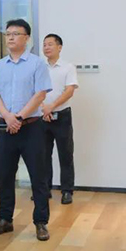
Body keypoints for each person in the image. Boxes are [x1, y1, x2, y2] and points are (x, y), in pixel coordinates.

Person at [0, 19, 53, 241]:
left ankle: (41, 222)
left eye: (16, 33)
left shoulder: (37, 64)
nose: (11, 37)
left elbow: (40, 94)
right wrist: (7, 116)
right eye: (8, 34)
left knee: (38, 177)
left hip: (32, 127)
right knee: (5, 176)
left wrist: (19, 117)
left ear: (27, 38)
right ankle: (5, 219)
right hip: (6, 127)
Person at [40, 34, 78, 205]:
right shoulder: (40, 67)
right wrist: (44, 108)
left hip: (62, 116)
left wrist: (52, 106)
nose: (46, 47)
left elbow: (69, 91)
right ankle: (44, 189)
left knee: (65, 154)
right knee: (43, 155)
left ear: (59, 47)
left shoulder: (68, 67)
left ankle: (67, 190)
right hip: (42, 115)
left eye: (50, 44)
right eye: (44, 45)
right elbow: (35, 90)